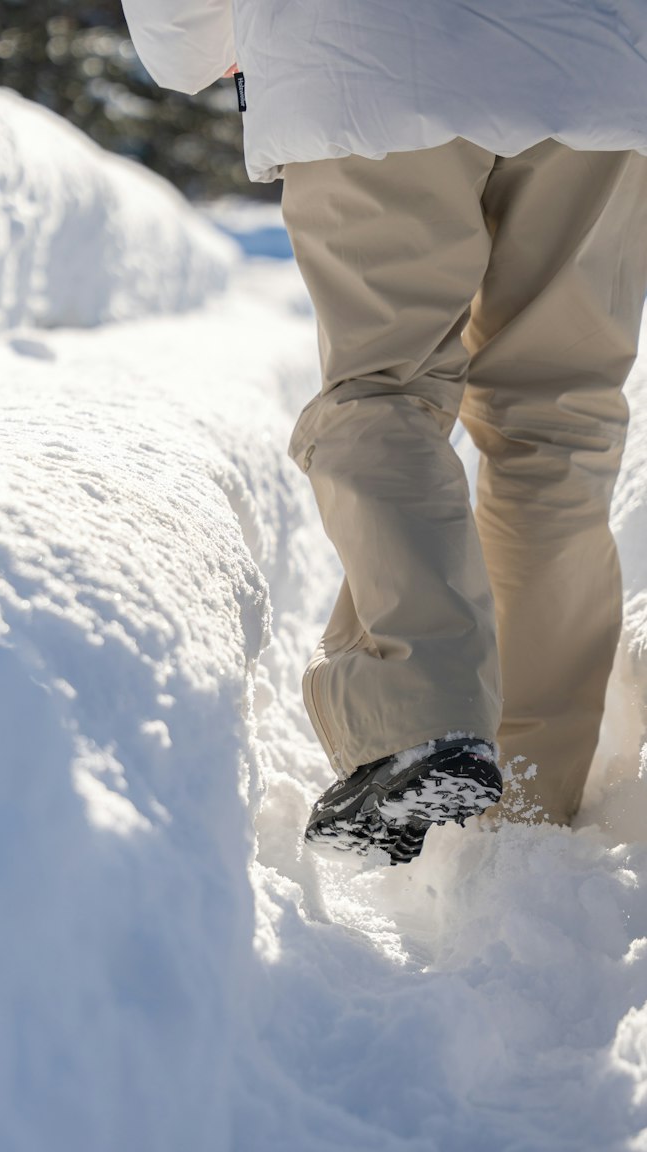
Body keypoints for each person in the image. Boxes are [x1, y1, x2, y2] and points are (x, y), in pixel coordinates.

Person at [119, 0, 647, 864]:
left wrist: (189, 45)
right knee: (557, 425)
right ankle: (526, 806)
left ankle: (424, 707)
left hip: (369, 51)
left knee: (384, 390)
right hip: (600, 60)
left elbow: (186, 39)